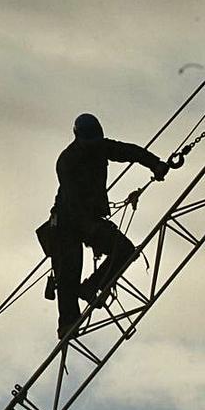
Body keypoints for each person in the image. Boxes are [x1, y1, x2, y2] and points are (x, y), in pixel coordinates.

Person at [42, 113, 169, 339]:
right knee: (68, 272)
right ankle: (68, 323)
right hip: (67, 221)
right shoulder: (67, 161)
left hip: (86, 218)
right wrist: (93, 232)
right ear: (78, 138)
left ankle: (93, 286)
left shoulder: (100, 147)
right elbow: (73, 204)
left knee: (125, 250)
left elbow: (129, 151)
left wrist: (154, 163)